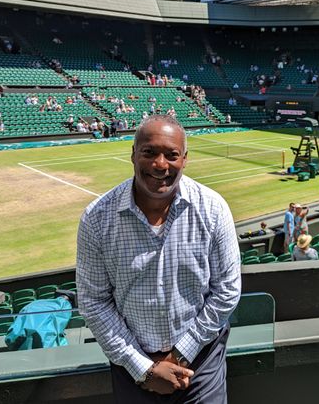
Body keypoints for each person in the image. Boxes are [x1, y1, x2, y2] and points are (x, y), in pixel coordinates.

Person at [77, 115, 241, 403]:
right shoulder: (97, 218)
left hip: (201, 363)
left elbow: (227, 290)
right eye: (149, 152)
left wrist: (180, 354)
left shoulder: (213, 209)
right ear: (133, 155)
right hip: (132, 366)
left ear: (185, 159)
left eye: (171, 155)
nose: (160, 164)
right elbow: (93, 300)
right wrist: (144, 368)